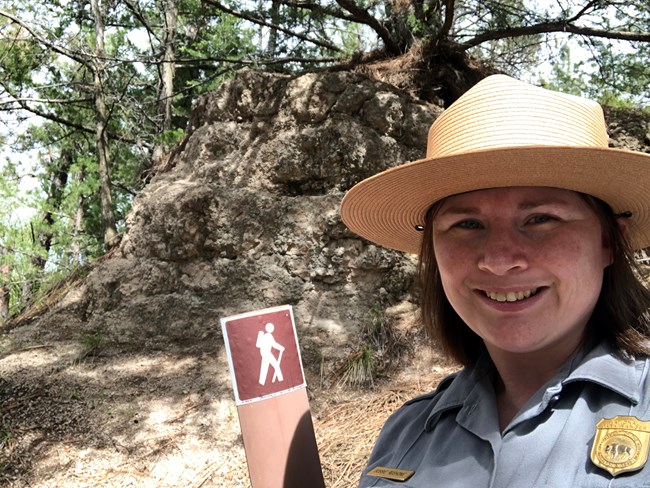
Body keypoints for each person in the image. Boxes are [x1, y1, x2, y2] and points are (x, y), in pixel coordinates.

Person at [340, 74, 650, 487]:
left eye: (541, 218)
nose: (500, 260)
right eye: (467, 224)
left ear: (609, 241)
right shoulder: (405, 435)